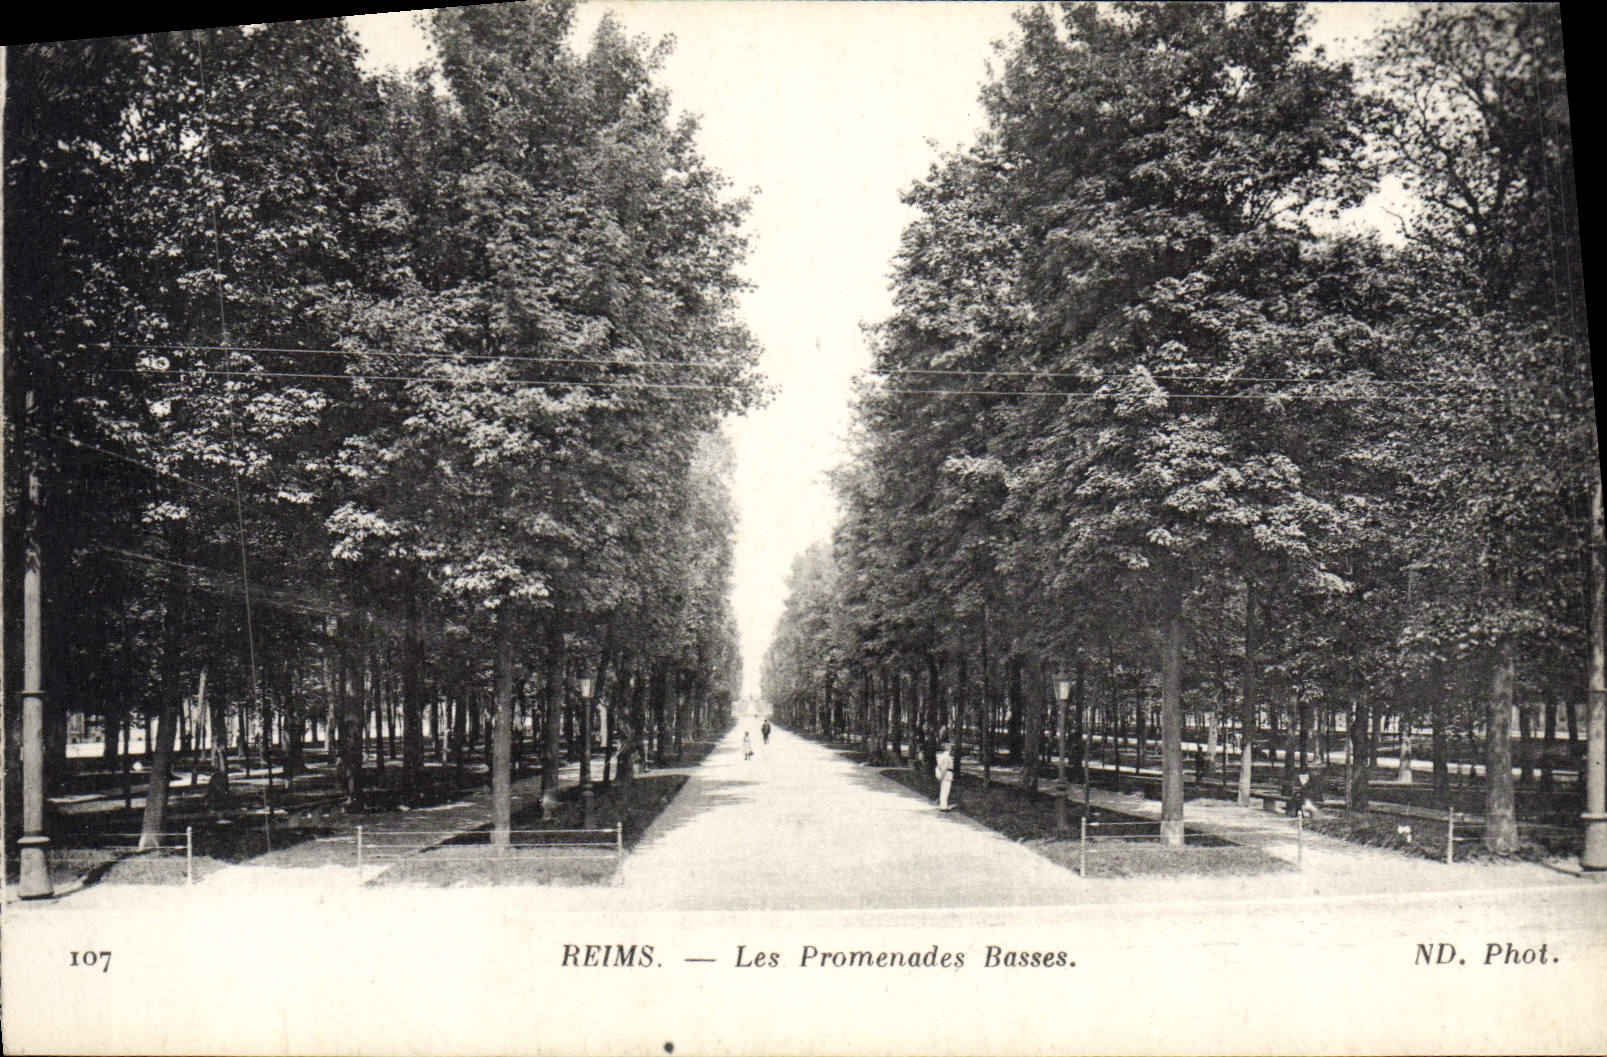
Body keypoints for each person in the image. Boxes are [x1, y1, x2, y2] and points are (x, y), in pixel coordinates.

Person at [935, 741, 955, 811]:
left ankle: (942, 805)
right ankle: (943, 806)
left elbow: (938, 766)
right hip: (946, 775)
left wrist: (939, 775)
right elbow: (945, 768)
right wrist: (942, 777)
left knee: (943, 790)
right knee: (945, 791)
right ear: (948, 748)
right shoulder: (947, 757)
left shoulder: (940, 756)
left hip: (942, 773)